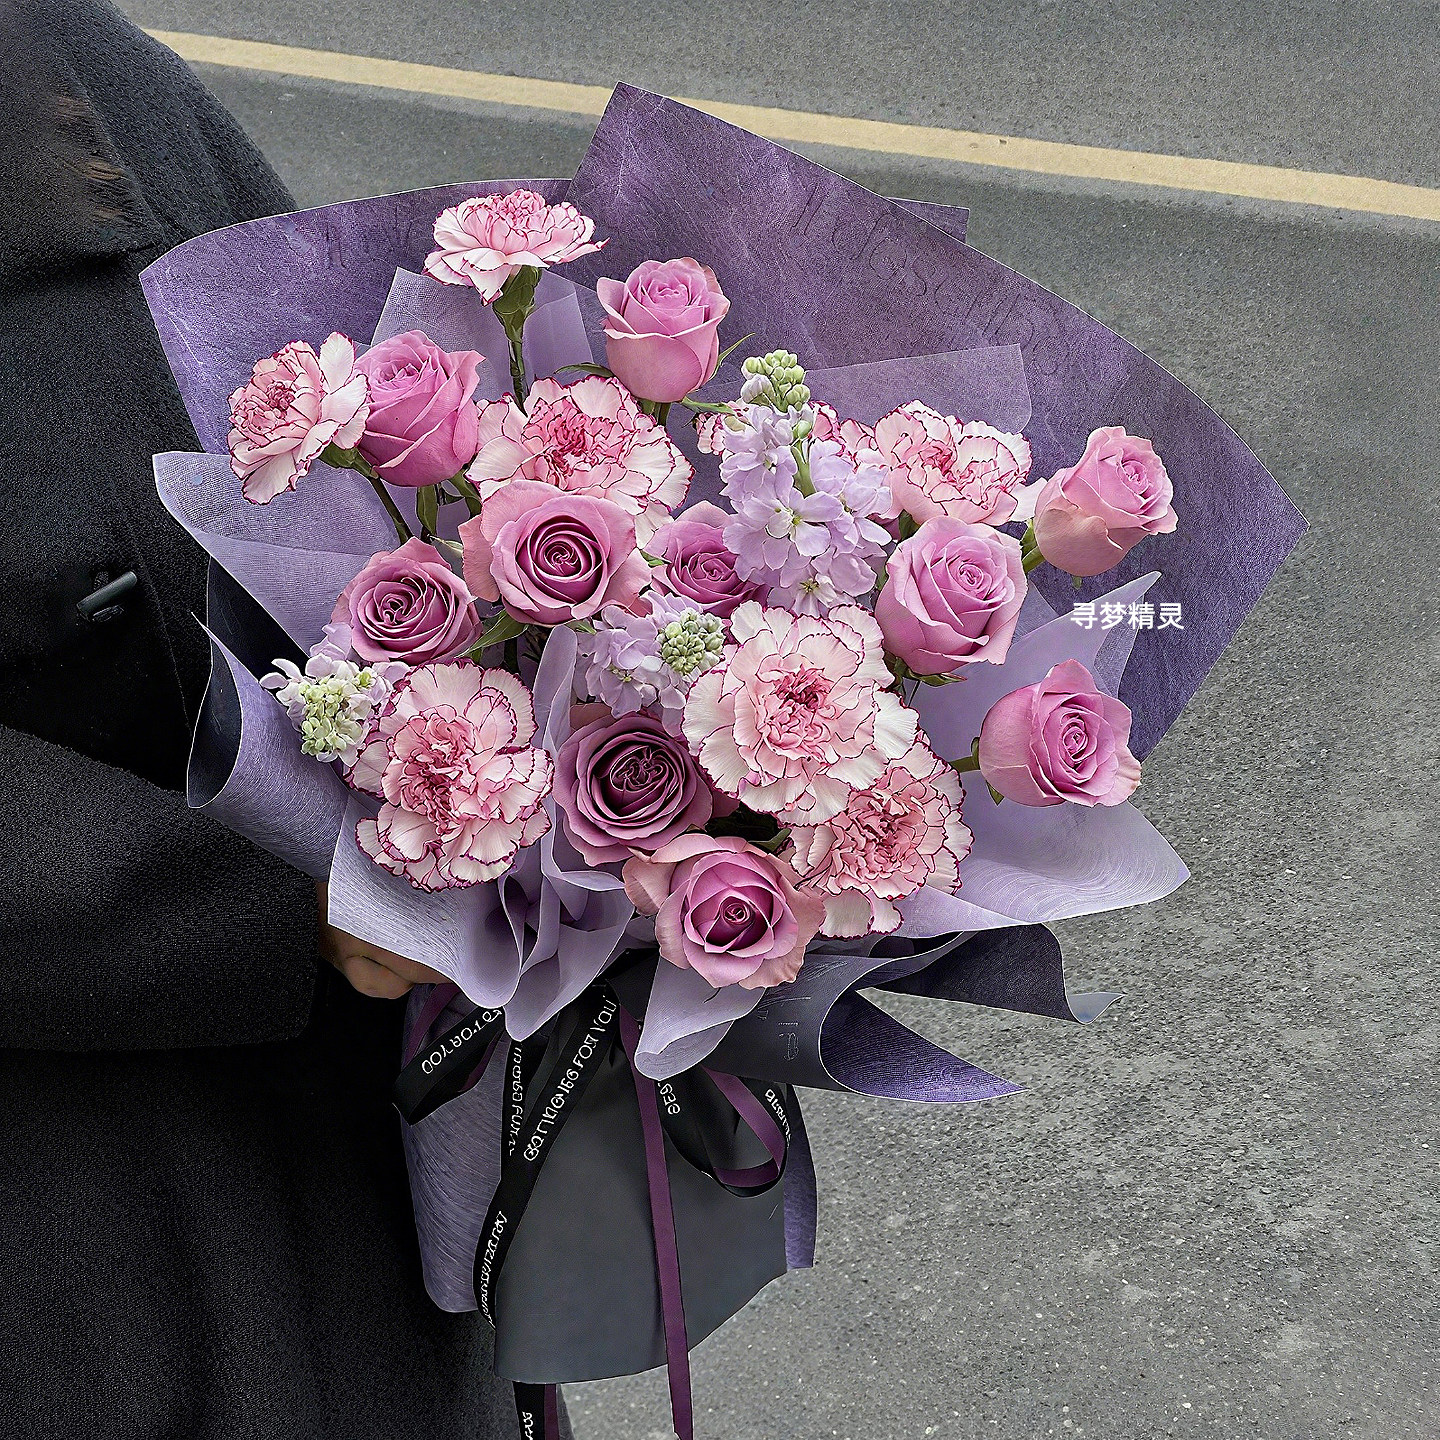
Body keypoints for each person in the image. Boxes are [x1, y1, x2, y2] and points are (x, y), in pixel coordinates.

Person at [0, 5, 541, 1434]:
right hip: (67, 1203)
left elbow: (352, 425)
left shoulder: (75, 68)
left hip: (343, 1136)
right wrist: (285, 901)